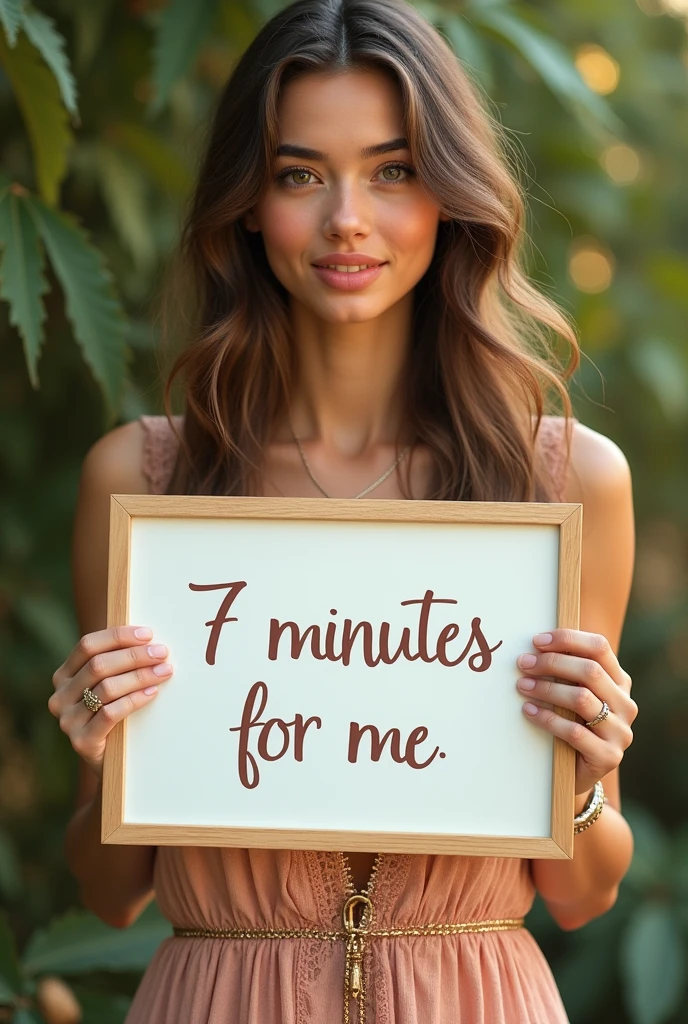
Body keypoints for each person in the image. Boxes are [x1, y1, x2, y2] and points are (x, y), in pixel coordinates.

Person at [48, 0, 638, 1020]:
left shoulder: (564, 484)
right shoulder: (145, 483)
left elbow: (583, 894)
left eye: (393, 169)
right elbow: (109, 893)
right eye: (299, 174)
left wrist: (586, 771)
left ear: (451, 194)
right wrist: (104, 755)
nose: (346, 219)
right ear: (246, 202)